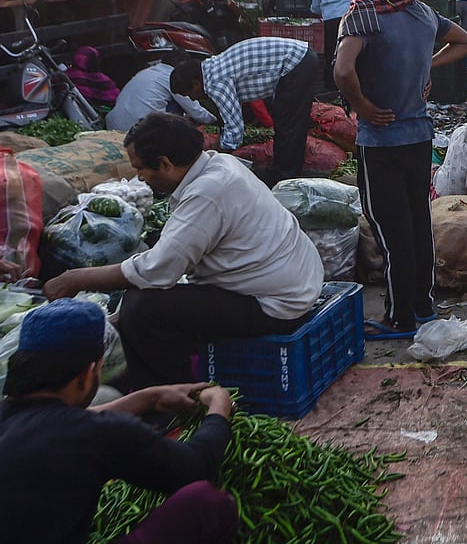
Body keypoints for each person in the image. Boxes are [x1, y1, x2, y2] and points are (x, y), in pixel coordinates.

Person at [41, 113, 324, 388]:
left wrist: (74, 278)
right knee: (142, 307)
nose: (139, 178)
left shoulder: (207, 193)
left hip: (276, 305)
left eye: (140, 168)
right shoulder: (220, 164)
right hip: (293, 283)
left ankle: (171, 401)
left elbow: (155, 270)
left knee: (141, 307)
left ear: (165, 163)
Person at [0, 299, 238, 544]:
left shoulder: (12, 417)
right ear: (87, 373)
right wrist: (220, 407)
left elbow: (51, 423)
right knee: (206, 504)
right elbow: (195, 467)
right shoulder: (97, 433)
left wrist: (148, 398)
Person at [334, 0, 467, 338]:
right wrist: (426, 68)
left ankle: (400, 317)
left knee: (391, 229)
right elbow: (466, 40)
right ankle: (423, 305)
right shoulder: (420, 9)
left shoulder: (363, 12)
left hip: (380, 142)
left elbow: (343, 72)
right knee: (417, 222)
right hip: (419, 138)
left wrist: (361, 105)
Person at [170, 37, 319, 182]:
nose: (194, 99)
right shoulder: (211, 68)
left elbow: (235, 128)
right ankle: (280, 172)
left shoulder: (215, 82)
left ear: (195, 83)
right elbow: (227, 119)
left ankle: (287, 179)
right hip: (298, 59)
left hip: (296, 62)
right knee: (283, 123)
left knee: (289, 125)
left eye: (189, 95)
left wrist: (215, 161)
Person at [105, 57, 217, 132]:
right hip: (138, 130)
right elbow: (196, 111)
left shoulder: (148, 71)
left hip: (113, 126)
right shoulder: (173, 78)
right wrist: (216, 121)